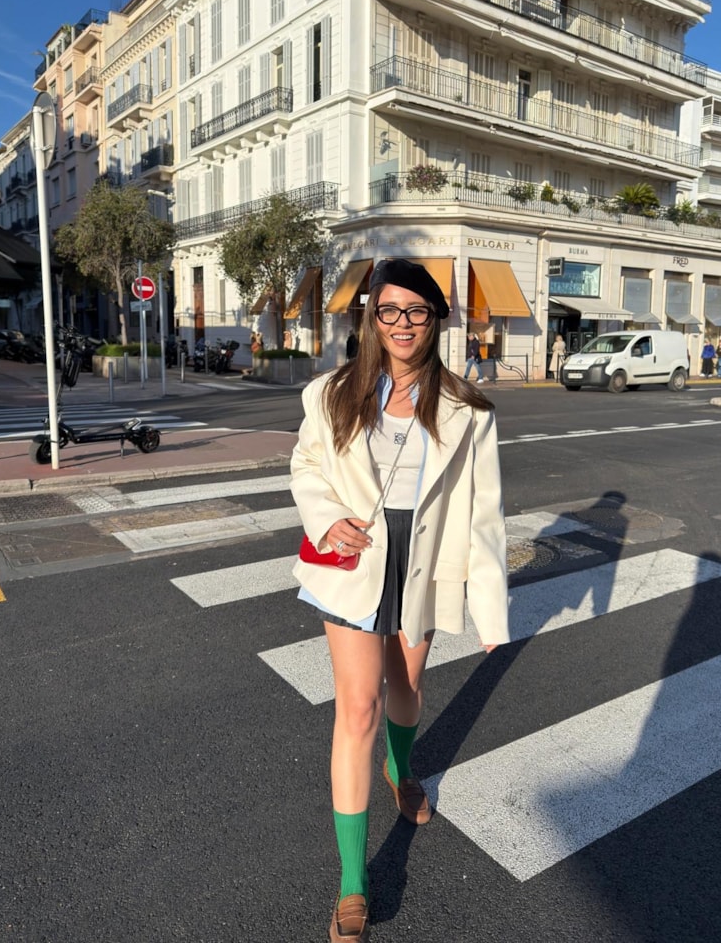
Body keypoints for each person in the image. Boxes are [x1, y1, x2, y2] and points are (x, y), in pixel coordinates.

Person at [289, 258, 509, 942]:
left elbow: (485, 511)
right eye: (390, 310)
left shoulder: (468, 408)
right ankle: (354, 882)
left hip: (426, 559)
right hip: (357, 559)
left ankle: (402, 768)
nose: (403, 323)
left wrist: (490, 608)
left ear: (434, 320)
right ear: (372, 319)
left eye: (416, 311)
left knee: (406, 690)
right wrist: (327, 518)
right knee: (357, 708)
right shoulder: (331, 394)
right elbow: (306, 464)